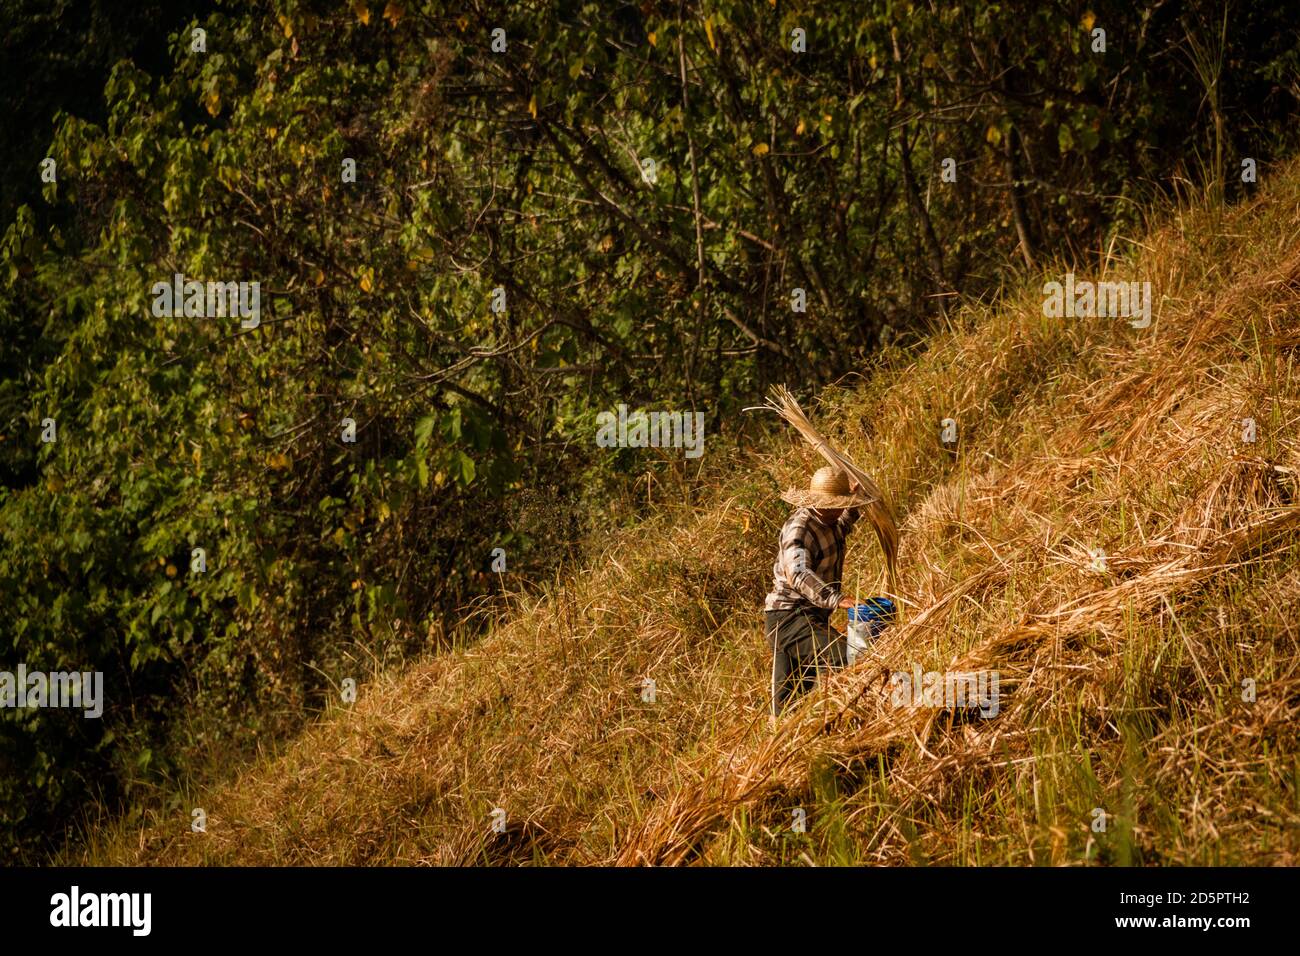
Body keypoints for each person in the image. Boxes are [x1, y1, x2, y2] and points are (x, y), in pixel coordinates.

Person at [763, 465, 871, 719]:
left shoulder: (829, 520)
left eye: (841, 503)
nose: (838, 508)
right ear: (818, 502)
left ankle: (794, 744)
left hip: (808, 617)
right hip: (789, 618)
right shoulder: (799, 530)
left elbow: (839, 528)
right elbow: (798, 573)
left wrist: (854, 505)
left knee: (788, 704)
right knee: (843, 658)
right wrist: (837, 599)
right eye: (834, 504)